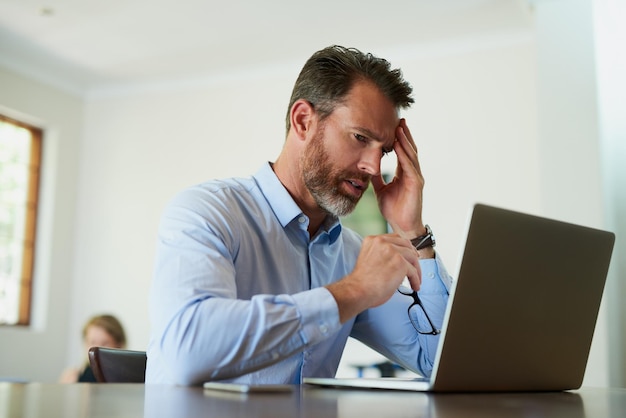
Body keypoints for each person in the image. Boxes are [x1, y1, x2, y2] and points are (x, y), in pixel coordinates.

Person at [146, 45, 452, 385]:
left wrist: (413, 232)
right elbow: (188, 350)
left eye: (382, 149)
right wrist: (353, 291)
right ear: (303, 121)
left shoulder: (350, 254)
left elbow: (440, 361)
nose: (374, 166)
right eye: (360, 137)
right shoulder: (207, 211)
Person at [59, 314, 127, 383]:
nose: (96, 350)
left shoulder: (127, 380)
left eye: (105, 343)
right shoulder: (73, 377)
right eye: (92, 342)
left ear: (119, 345)